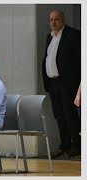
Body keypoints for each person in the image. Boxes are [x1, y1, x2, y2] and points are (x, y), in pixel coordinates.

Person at [42, 10, 81, 158]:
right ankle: (64, 145)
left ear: (63, 20)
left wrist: (77, 83)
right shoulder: (49, 37)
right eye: (51, 19)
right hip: (53, 83)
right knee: (58, 115)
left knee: (70, 114)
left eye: (57, 19)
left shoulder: (73, 35)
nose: (53, 22)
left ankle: (77, 144)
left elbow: (79, 60)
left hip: (68, 83)